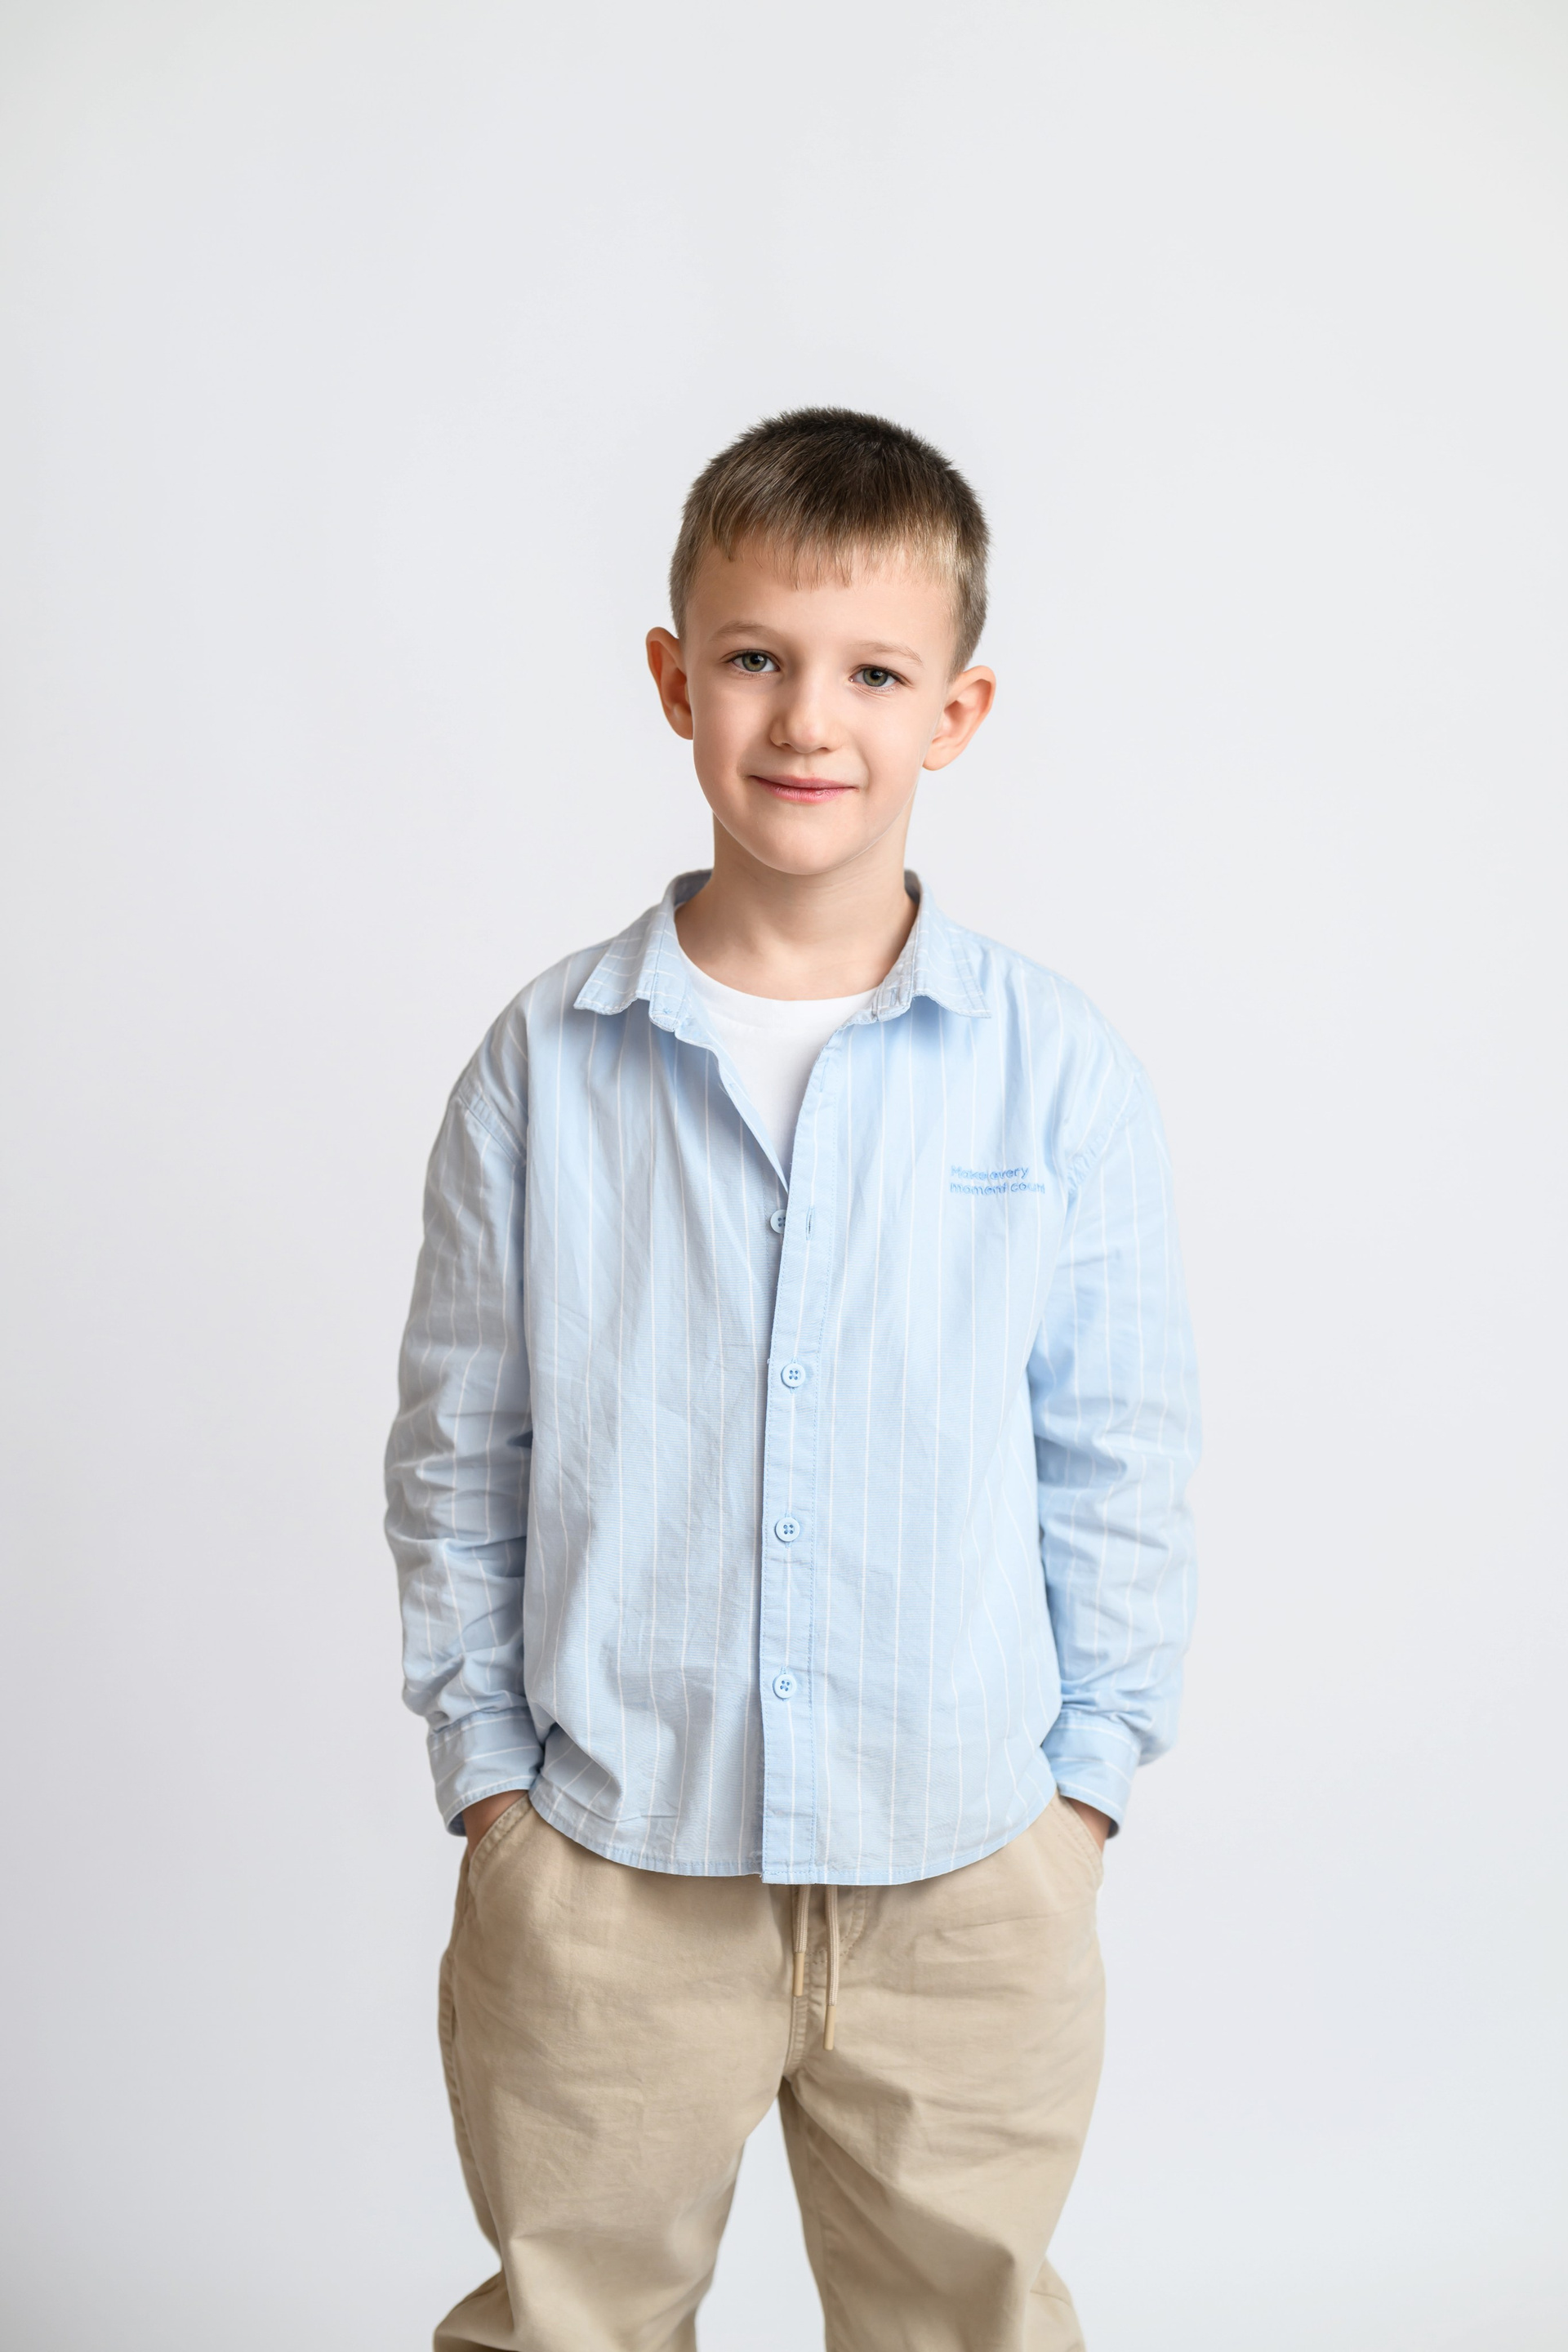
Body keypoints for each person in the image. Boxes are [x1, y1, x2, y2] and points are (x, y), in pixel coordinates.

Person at [385, 407, 1200, 2352]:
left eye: (874, 674)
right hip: (612, 1863)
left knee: (963, 2328)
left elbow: (1117, 1451)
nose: (809, 720)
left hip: (966, 1868)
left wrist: (1080, 1797)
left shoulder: (1054, 1072)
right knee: (571, 2326)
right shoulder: (546, 1064)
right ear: (677, 681)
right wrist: (493, 1790)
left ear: (957, 712)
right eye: (756, 658)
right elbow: (459, 1452)